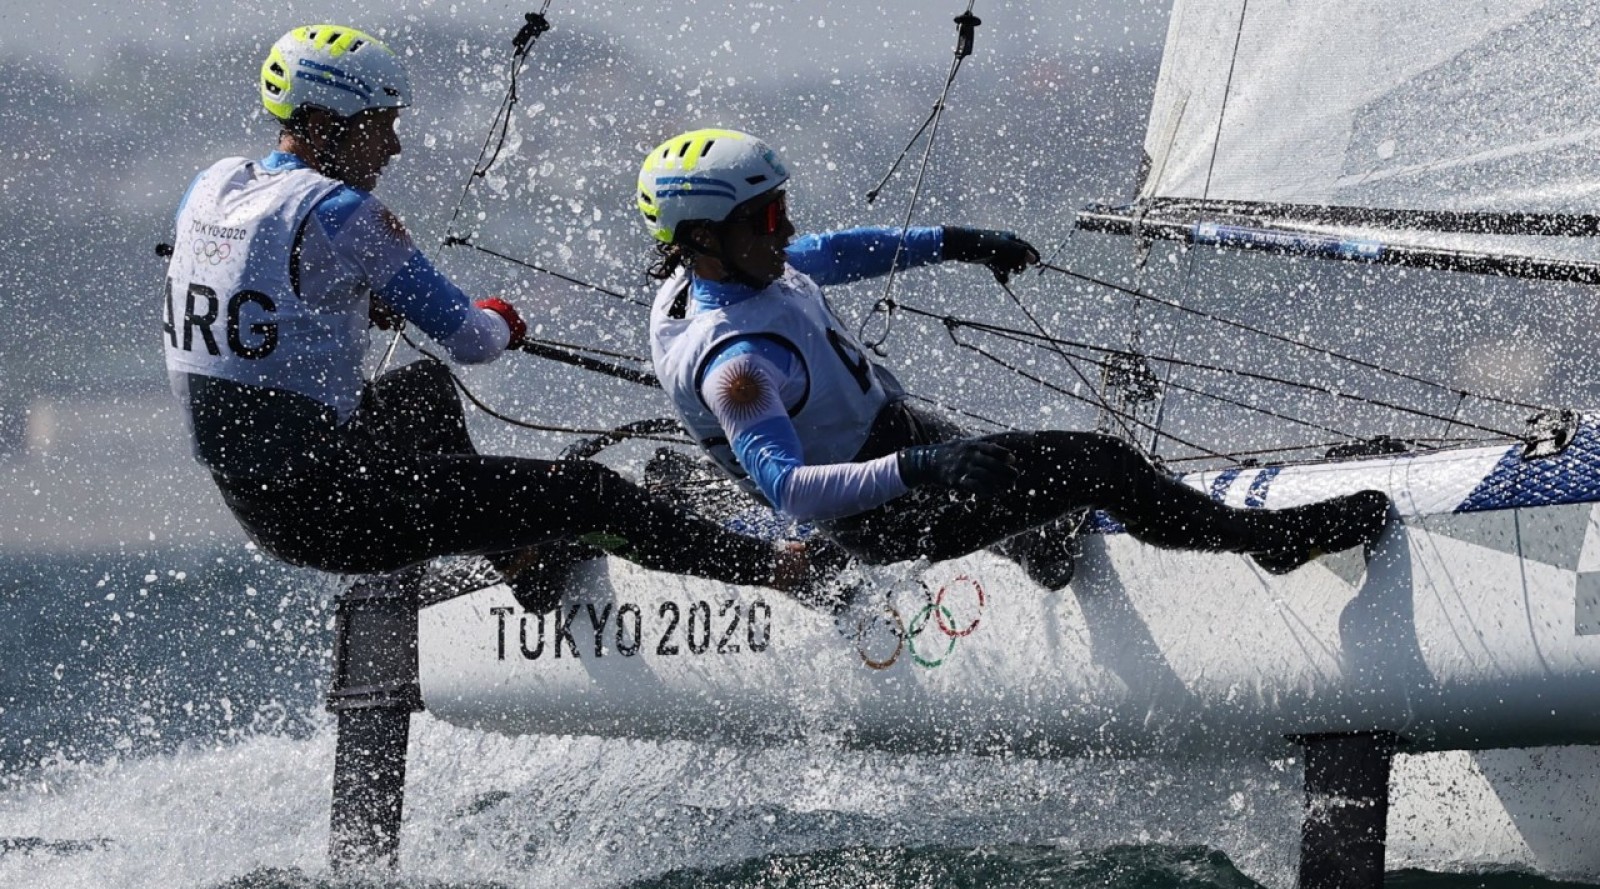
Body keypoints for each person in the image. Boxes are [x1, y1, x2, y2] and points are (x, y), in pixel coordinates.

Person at [161, 27, 836, 609]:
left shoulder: (212, 185)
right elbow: (472, 341)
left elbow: (242, 288)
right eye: (381, 124)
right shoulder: (344, 214)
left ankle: (522, 565)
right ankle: (785, 571)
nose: (392, 147)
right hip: (336, 511)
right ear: (327, 123)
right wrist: (499, 321)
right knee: (588, 490)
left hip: (261, 501)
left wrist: (350, 300)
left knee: (420, 391)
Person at [637, 128, 1390, 590]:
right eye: (769, 217)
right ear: (702, 237)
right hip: (886, 512)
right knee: (1100, 462)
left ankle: (1042, 551)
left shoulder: (716, 274)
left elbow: (829, 252)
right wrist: (922, 470)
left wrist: (958, 242)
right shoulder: (737, 367)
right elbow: (791, 491)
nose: (787, 227)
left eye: (781, 205)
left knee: (995, 465)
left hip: (899, 435)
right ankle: (1271, 544)